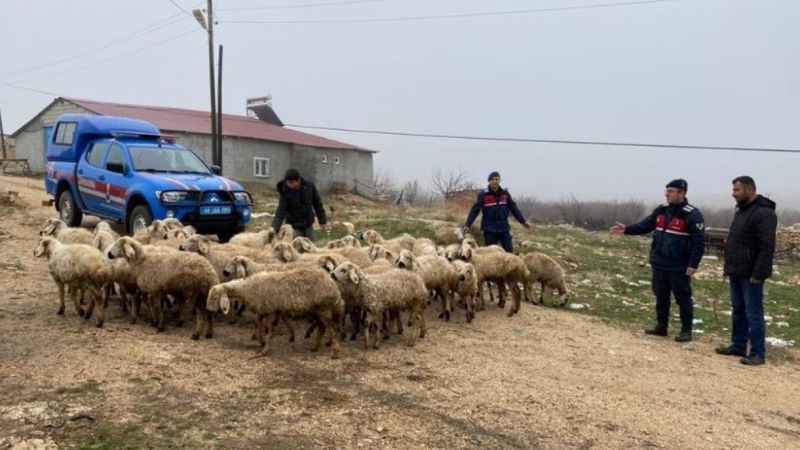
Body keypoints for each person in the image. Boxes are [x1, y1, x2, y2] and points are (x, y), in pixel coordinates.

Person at [609, 179, 704, 342]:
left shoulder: (692, 214)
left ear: (682, 193)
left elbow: (699, 242)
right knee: (661, 295)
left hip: (679, 264)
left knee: (682, 297)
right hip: (659, 262)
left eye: (671, 191)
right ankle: (661, 326)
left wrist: (693, 264)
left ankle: (686, 330)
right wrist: (626, 229)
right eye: (666, 191)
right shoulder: (662, 210)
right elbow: (645, 225)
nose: (667, 194)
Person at [715, 176, 777, 366]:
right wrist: (729, 267)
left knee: (753, 313)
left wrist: (758, 274)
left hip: (752, 274)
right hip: (737, 270)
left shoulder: (764, 213)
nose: (733, 194)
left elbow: (767, 247)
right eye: (733, 190)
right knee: (738, 310)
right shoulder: (741, 211)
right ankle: (738, 345)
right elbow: (737, 242)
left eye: (737, 190)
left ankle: (758, 352)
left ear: (750, 190)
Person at [463, 171, 531, 252]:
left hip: (503, 227)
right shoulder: (483, 194)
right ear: (489, 181)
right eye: (493, 179)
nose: (495, 181)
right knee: (491, 253)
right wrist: (468, 224)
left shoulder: (505, 194)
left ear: (499, 181)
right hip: (489, 228)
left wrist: (522, 221)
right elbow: (475, 210)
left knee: (508, 250)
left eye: (497, 179)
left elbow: (513, 208)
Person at [271, 168, 327, 241]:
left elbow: (317, 203)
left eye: (291, 182)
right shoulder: (285, 191)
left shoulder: (309, 187)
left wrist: (322, 220)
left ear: (297, 181)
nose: (288, 184)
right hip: (294, 227)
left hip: (308, 225)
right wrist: (274, 229)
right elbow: (280, 211)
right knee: (297, 249)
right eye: (287, 182)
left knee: (311, 249)